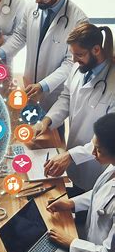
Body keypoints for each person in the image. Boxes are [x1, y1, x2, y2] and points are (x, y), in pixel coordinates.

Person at [0, 0, 87, 112]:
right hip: (30, 84)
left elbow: (71, 62)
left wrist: (43, 85)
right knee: (27, 125)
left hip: (53, 91)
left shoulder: (78, 20)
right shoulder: (32, 7)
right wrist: (1, 53)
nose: (37, 0)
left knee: (52, 130)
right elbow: (20, 35)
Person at [35, 23, 115, 192]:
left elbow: (109, 138)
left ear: (96, 50)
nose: (74, 60)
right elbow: (66, 97)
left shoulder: (113, 83)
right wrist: (47, 121)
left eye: (79, 54)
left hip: (97, 165)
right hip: (73, 155)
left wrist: (71, 155)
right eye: (73, 54)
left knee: (88, 208)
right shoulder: (79, 68)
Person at [47, 113, 115, 252]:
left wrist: (71, 242)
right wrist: (71, 203)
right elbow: (100, 193)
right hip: (89, 245)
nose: (93, 154)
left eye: (99, 150)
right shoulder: (113, 167)